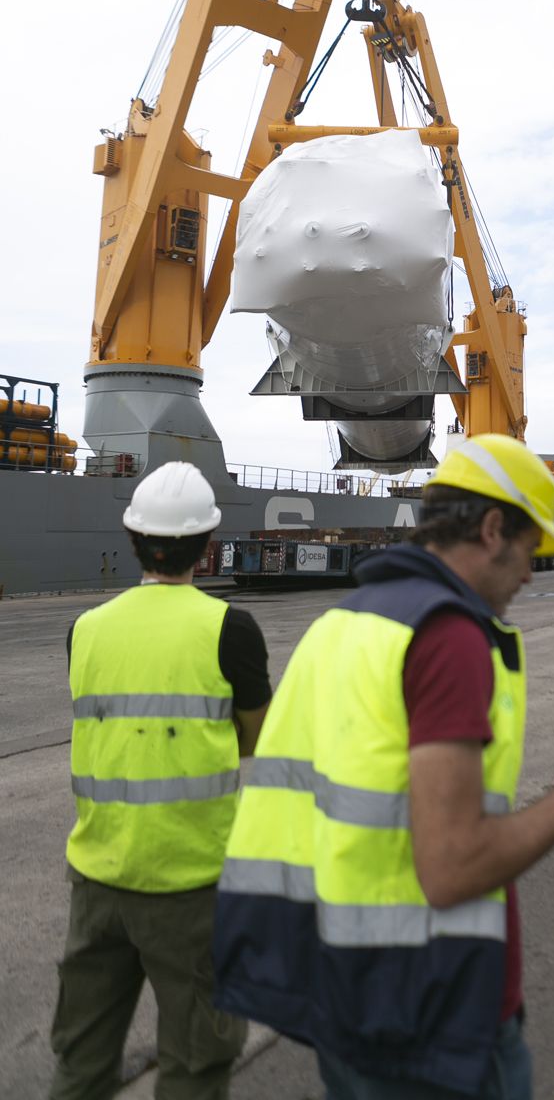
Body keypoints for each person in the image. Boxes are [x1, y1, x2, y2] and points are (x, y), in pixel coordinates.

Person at [214, 434, 554, 1100]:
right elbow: (452, 866)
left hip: (341, 989)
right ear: (491, 529)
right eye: (526, 552)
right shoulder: (448, 637)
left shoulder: (341, 623)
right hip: (428, 1007)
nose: (527, 575)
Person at [50, 462, 271, 1100]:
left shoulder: (84, 630)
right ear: (208, 547)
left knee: (79, 1063)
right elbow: (258, 738)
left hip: (97, 880)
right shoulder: (230, 630)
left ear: (131, 536)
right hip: (190, 888)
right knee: (196, 1064)